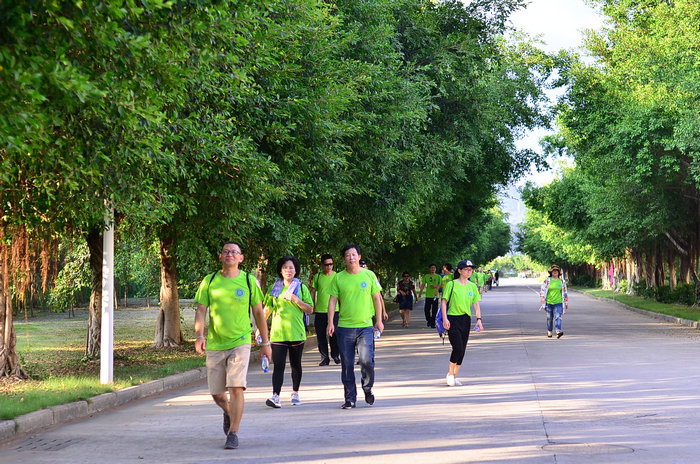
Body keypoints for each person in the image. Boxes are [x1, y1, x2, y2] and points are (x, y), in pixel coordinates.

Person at [194, 241, 272, 450]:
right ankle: (228, 412)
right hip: (215, 343)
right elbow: (201, 310)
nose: (230, 254)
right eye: (226, 251)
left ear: (241, 258)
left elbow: (258, 312)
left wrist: (265, 343)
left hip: (240, 341)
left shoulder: (248, 281)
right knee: (217, 394)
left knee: (236, 386)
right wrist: (199, 335)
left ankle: (233, 433)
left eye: (234, 252)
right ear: (220, 256)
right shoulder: (209, 281)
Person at [327, 244, 385, 409]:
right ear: (344, 259)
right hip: (344, 327)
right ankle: (350, 398)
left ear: (359, 256)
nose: (351, 258)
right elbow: (332, 301)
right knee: (347, 364)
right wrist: (330, 322)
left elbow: (377, 298)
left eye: (354, 254)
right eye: (348, 255)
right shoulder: (338, 278)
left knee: (367, 361)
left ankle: (367, 388)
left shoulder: (369, 275)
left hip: (365, 326)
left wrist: (379, 320)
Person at [262, 256, 314, 408]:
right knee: (278, 365)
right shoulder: (275, 288)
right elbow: (267, 309)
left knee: (295, 365)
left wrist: (296, 300)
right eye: (285, 267)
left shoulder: (301, 288)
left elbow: (310, 309)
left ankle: (295, 392)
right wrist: (260, 328)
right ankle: (276, 396)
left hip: (296, 332)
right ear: (281, 270)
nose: (288, 270)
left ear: (296, 270)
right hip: (278, 334)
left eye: (291, 267)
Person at [440, 260, 483, 387]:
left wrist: (479, 319)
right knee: (457, 347)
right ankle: (450, 374)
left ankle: (454, 376)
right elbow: (444, 302)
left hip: (466, 319)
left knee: (462, 349)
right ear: (459, 270)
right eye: (466, 269)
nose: (469, 271)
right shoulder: (452, 284)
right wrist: (445, 319)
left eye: (471, 269)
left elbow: (476, 303)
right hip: (453, 319)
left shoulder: (472, 286)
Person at [311, 254, 340, 366]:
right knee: (321, 336)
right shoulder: (318, 276)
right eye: (326, 265)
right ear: (322, 265)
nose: (329, 267)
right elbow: (313, 291)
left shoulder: (337, 276)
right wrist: (312, 305)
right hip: (320, 311)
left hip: (335, 311)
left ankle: (335, 355)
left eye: (331, 264)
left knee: (335, 334)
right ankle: (324, 358)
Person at [539, 264, 569, 338]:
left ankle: (558, 331)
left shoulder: (562, 281)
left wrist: (566, 302)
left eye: (556, 271)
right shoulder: (547, 281)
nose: (555, 272)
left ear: (559, 273)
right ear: (551, 272)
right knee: (550, 318)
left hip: (558, 302)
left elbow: (565, 292)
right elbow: (542, 289)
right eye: (553, 271)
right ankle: (549, 331)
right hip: (549, 303)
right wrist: (542, 297)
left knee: (558, 317)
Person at [419, 264, 442, 328]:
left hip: (435, 296)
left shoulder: (438, 276)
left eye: (434, 268)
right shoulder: (427, 276)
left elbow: (441, 285)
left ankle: (432, 323)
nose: (433, 269)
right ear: (429, 269)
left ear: (436, 269)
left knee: (434, 310)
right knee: (426, 310)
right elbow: (423, 285)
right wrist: (420, 294)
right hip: (428, 296)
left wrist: (436, 288)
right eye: (431, 268)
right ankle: (429, 320)